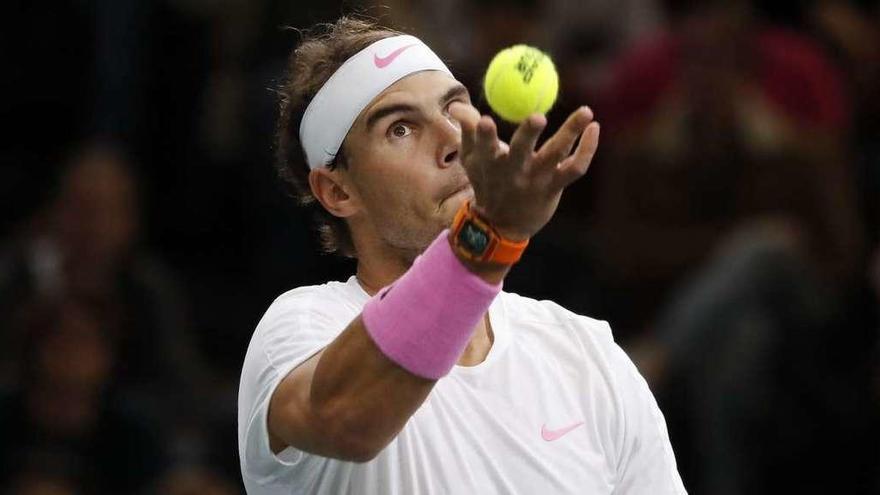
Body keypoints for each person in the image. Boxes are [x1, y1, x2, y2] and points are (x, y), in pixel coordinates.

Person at [237, 17, 686, 494]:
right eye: (402, 129)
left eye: (455, 109)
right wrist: (489, 237)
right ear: (337, 190)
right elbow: (345, 421)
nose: (452, 140)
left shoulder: (587, 357)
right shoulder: (302, 329)